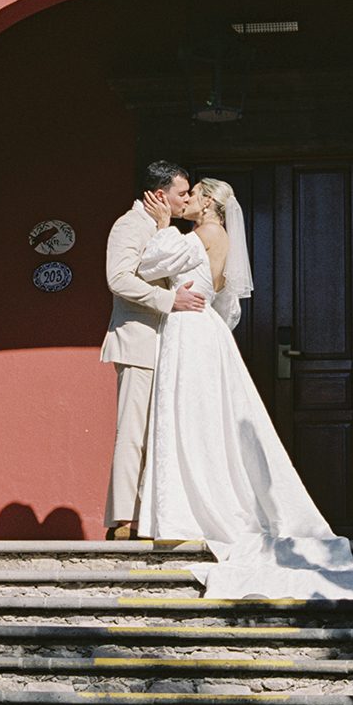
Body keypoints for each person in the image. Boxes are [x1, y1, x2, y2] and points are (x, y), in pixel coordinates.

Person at [135, 177, 353, 601]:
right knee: (204, 414)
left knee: (191, 414)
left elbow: (150, 266)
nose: (185, 200)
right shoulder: (220, 236)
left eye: (192, 195)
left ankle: (188, 512)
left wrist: (160, 225)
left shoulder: (197, 236)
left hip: (189, 329)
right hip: (204, 327)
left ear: (208, 201)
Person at [101, 161, 205, 540]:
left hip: (166, 344)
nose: (187, 200)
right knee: (132, 432)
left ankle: (149, 515)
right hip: (137, 343)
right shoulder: (129, 225)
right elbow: (118, 277)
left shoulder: (163, 229)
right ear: (160, 195)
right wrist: (168, 299)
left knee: (156, 433)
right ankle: (122, 521)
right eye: (182, 193)